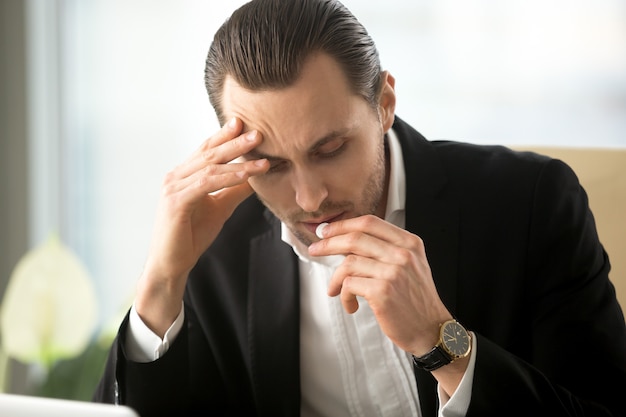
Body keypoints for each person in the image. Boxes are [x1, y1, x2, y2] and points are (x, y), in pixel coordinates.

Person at [93, 0, 626, 416]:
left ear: (385, 103)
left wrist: (440, 342)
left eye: (329, 150)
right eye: (271, 165)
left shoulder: (530, 203)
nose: (309, 199)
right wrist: (160, 284)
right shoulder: (211, 240)